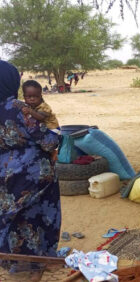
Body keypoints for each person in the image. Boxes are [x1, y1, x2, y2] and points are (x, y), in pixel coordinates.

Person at [0, 61, 61, 280]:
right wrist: (57, 135)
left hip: (4, 174)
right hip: (33, 173)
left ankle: (16, 263)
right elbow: (46, 141)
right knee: (38, 218)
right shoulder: (19, 107)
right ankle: (39, 263)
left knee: (13, 219)